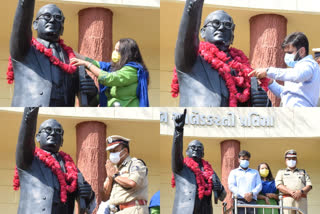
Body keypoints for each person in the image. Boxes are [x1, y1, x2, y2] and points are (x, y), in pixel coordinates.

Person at [171, 0, 270, 107]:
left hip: (234, 122)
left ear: (232, 37)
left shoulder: (243, 71)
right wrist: (195, 3)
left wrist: (262, 101)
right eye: (216, 23)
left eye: (228, 25)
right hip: (199, 121)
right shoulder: (190, 58)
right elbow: (188, 33)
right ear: (202, 32)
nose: (222, 27)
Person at [9, 1, 97, 107]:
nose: (52, 20)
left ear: (62, 28)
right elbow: (22, 23)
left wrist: (91, 93)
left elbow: (90, 102)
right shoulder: (24, 49)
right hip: (32, 114)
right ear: (35, 24)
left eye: (58, 18)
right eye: (47, 16)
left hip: (63, 117)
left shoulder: (72, 58)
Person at [14, 107, 95, 214]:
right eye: (48, 130)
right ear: (38, 137)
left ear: (62, 141)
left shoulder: (70, 166)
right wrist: (31, 112)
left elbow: (85, 196)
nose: (53, 133)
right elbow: (26, 136)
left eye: (58, 131)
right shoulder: (28, 158)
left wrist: (88, 194)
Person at [171, 109, 226, 214]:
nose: (195, 149)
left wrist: (219, 188)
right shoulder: (180, 166)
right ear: (187, 152)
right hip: (186, 210)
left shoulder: (209, 170)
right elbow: (176, 151)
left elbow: (223, 196)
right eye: (192, 147)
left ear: (203, 153)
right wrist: (178, 129)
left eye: (199, 148)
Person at [70, 38, 149, 107]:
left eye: (117, 50)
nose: (114, 52)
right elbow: (95, 63)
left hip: (129, 114)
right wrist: (69, 51)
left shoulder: (132, 70)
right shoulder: (112, 68)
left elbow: (109, 78)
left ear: (126, 53)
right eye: (114, 49)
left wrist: (87, 64)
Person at [249, 32, 320, 107]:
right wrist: (270, 82)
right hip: (290, 113)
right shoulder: (297, 68)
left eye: (290, 52)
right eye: (286, 53)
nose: (287, 56)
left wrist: (268, 71)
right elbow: (285, 93)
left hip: (302, 114)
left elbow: (298, 76)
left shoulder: (309, 65)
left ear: (302, 51)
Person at [101, 135, 148, 214]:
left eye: (115, 151)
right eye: (111, 152)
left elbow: (132, 182)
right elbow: (104, 197)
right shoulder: (114, 169)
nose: (112, 154)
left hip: (133, 209)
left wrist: (115, 176)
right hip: (116, 211)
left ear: (125, 151)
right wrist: (110, 178)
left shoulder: (135, 163)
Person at [275, 150, 312, 214]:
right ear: (285, 161)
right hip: (287, 200)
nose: (291, 160)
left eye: (293, 159)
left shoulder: (303, 172)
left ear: (297, 160)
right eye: (289, 159)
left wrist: (300, 192)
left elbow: (309, 185)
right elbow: (279, 185)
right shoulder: (281, 172)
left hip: (301, 200)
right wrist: (291, 192)